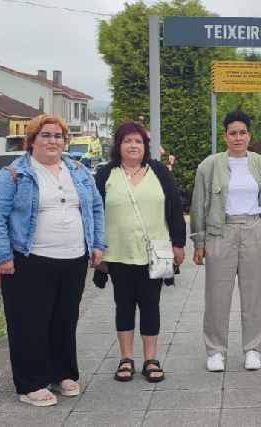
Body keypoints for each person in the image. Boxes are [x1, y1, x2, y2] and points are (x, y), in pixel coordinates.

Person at [0, 114, 105, 406]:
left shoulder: (78, 170)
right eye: (46, 135)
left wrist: (97, 245)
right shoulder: (14, 173)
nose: (53, 141)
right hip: (29, 259)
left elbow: (95, 208)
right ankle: (31, 384)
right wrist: (2, 256)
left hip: (73, 258)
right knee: (30, 323)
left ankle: (62, 374)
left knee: (64, 320)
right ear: (32, 140)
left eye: (58, 136)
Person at [94, 120, 186, 383]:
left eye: (138, 141)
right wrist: (96, 249)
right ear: (118, 146)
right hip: (118, 252)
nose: (133, 145)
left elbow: (175, 209)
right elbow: (94, 213)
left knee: (150, 305)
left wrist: (178, 243)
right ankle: (126, 358)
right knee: (122, 304)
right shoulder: (106, 174)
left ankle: (150, 359)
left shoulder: (159, 171)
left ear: (145, 146)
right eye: (127, 141)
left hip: (153, 254)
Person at [190, 110, 261, 372]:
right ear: (225, 136)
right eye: (232, 133)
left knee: (254, 294)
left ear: (249, 135)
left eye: (242, 133)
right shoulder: (209, 165)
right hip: (220, 231)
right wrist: (199, 241)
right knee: (217, 295)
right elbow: (198, 205)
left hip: (252, 230)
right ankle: (216, 350)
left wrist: (257, 222)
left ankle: (252, 349)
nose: (237, 138)